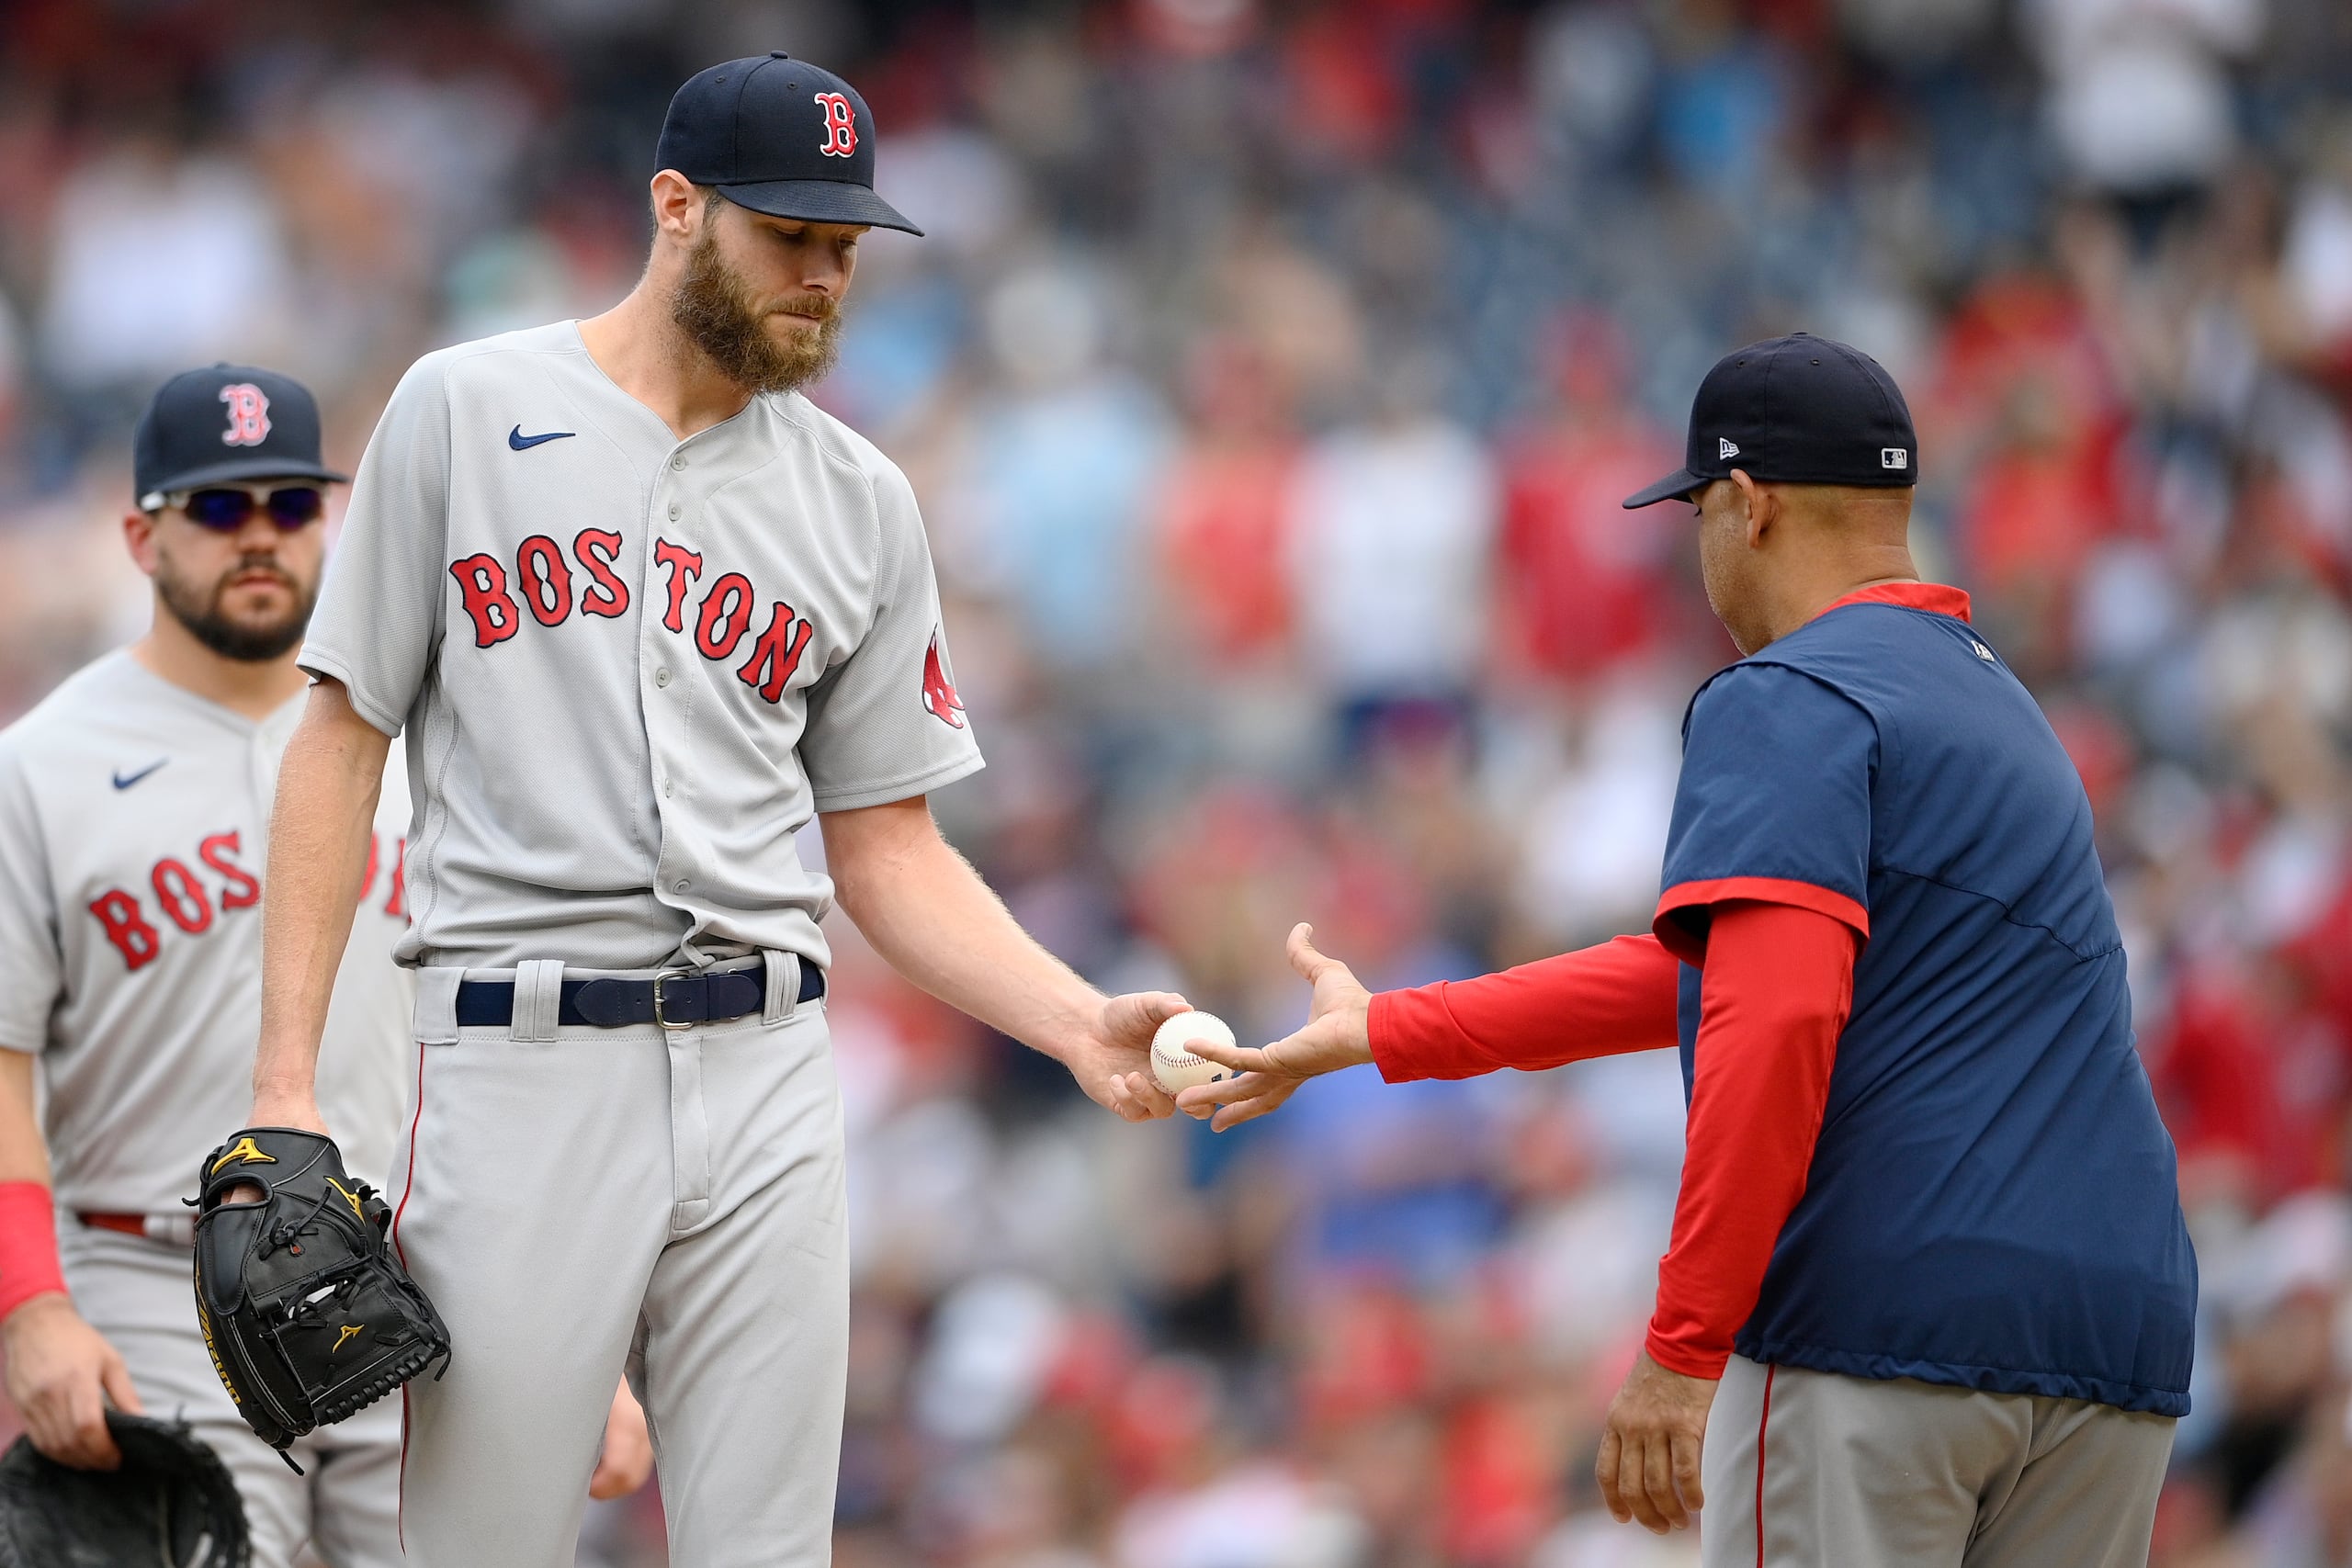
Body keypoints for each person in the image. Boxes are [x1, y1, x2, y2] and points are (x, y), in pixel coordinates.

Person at [235, 54, 1187, 1568]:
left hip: (767, 1070)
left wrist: (1074, 1022)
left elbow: (887, 849)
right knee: (480, 1547)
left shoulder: (862, 499)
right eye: (788, 236)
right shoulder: (467, 409)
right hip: (519, 1061)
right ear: (677, 208)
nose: (822, 276)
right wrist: (286, 1080)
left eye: (845, 247)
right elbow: (340, 742)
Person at [1179, 334, 2198, 1568]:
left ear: (1749, 505)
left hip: (1886, 1326)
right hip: (2115, 1341)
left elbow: (1772, 1021)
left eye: (1699, 513)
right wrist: (1390, 1030)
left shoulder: (1793, 691)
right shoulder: (2007, 708)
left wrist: (1682, 1344)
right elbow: (1723, 974)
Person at [0, 364, 652, 1565]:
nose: (260, 536)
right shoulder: (37, 769)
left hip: (418, 1286)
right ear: (143, 535)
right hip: (155, 1282)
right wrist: (31, 1309)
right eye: (218, 508)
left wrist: (581, 1343)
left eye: (290, 506)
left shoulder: (434, 747)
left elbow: (514, 1049)